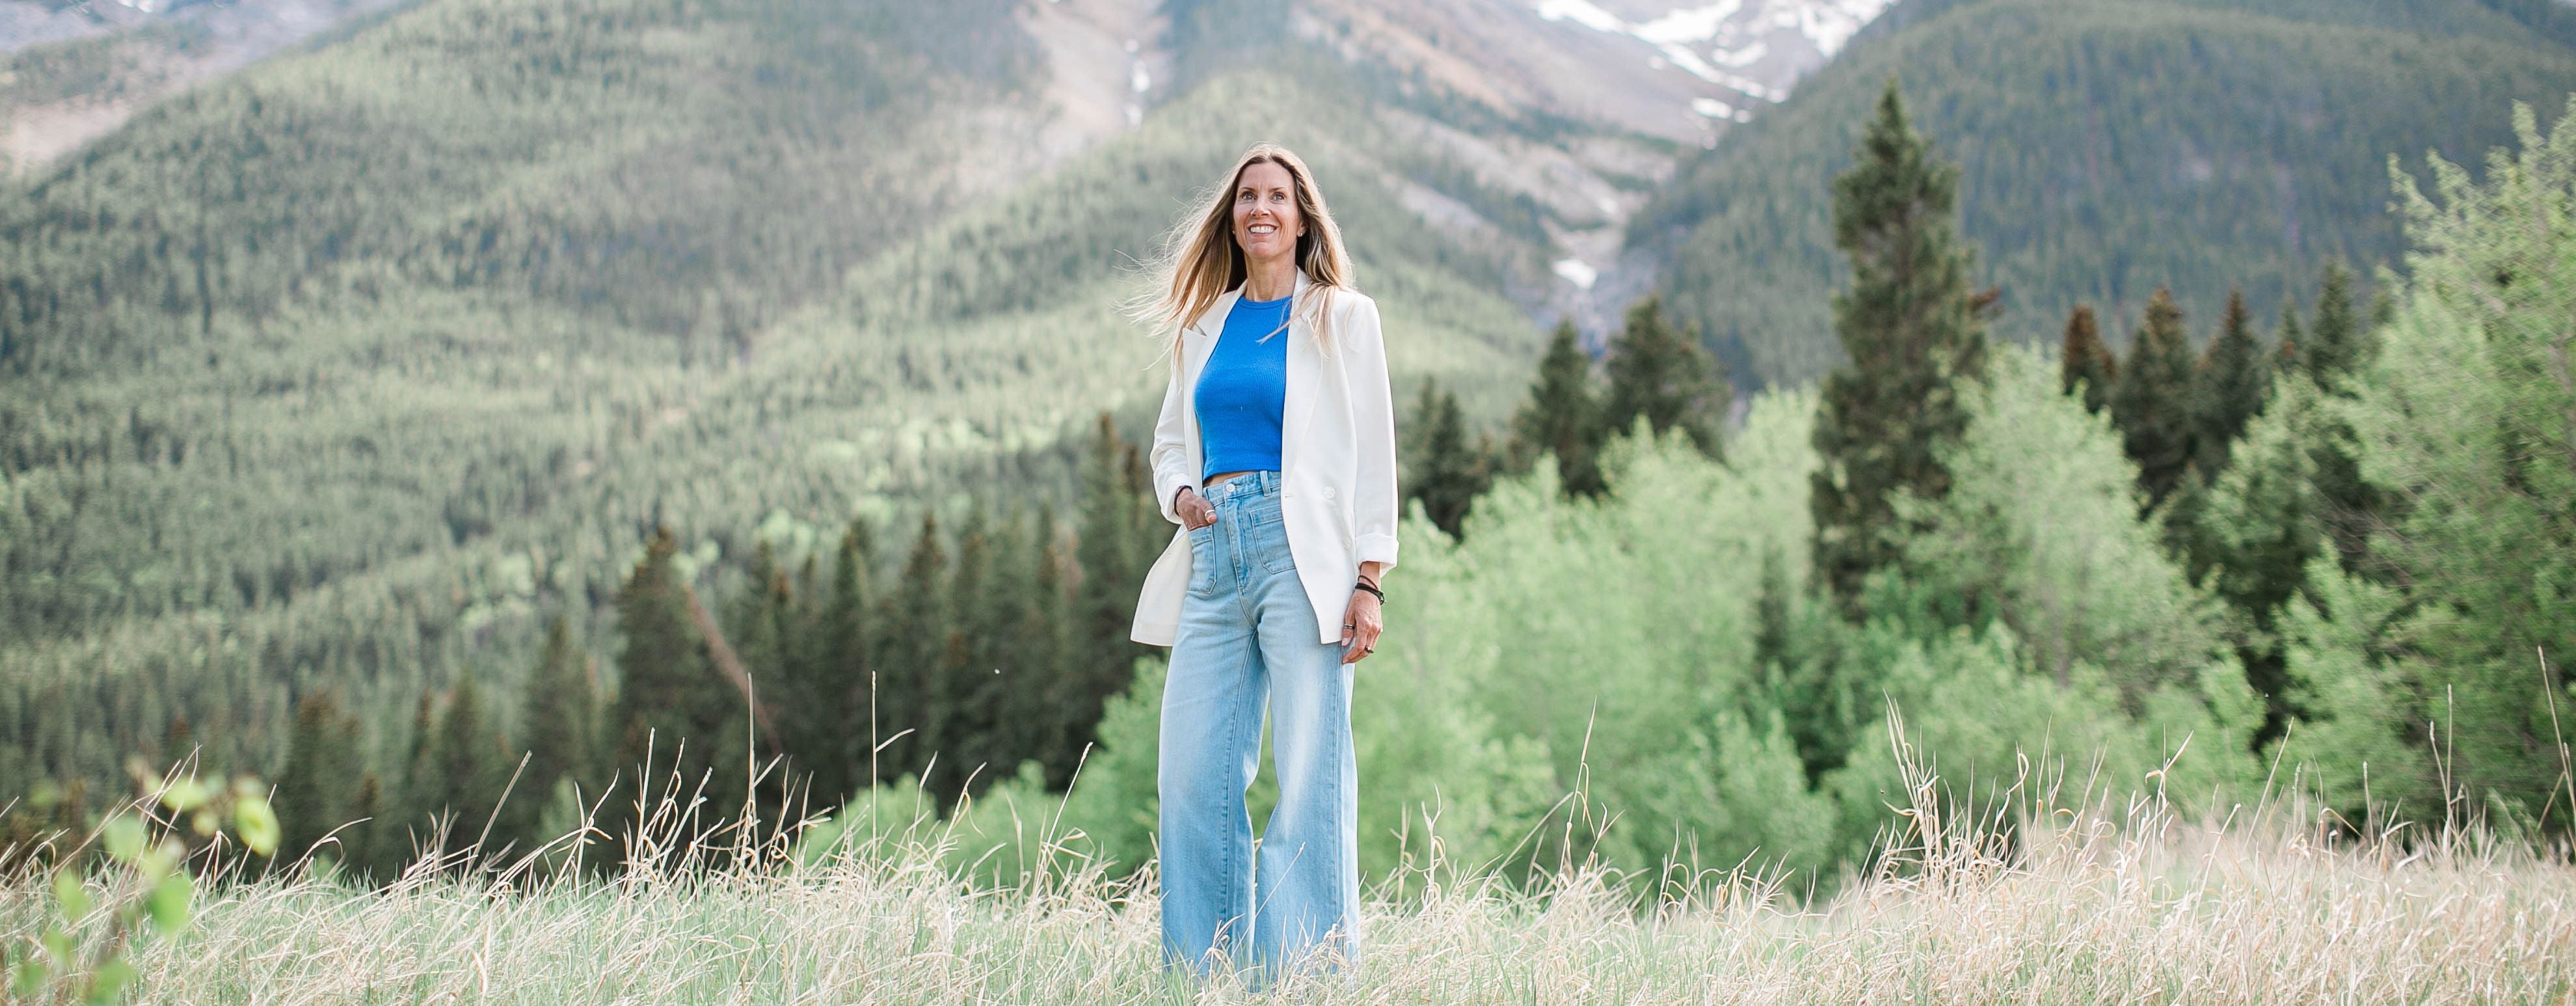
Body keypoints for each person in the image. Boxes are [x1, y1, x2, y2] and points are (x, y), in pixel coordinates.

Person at [1127, 142, 1398, 979]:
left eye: (1278, 196)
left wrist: (1368, 577)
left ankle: (1308, 979)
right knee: (1194, 775)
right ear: (1233, 218)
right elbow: (1172, 445)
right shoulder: (1204, 324)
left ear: (1302, 215)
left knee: (1311, 770)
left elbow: (1374, 458)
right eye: (1248, 197)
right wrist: (1180, 497)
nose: (1261, 209)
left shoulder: (1344, 317)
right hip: (1214, 553)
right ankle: (1203, 979)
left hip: (1302, 554)